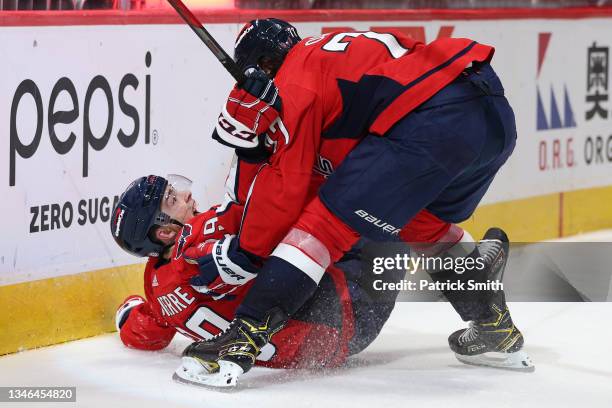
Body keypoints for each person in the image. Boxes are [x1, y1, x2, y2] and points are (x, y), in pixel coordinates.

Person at [179, 19, 533, 386]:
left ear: (264, 66)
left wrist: (248, 252)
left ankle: (241, 341)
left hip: (432, 123)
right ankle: (493, 325)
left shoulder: (293, 82)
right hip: (491, 118)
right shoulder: (330, 54)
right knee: (417, 222)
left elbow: (286, 189)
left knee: (322, 228)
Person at [110, 175, 403, 381]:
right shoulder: (200, 238)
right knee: (401, 204)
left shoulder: (157, 288)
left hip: (316, 349)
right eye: (173, 200)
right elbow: (264, 208)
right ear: (164, 232)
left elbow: (143, 331)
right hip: (355, 309)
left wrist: (127, 312)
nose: (185, 195)